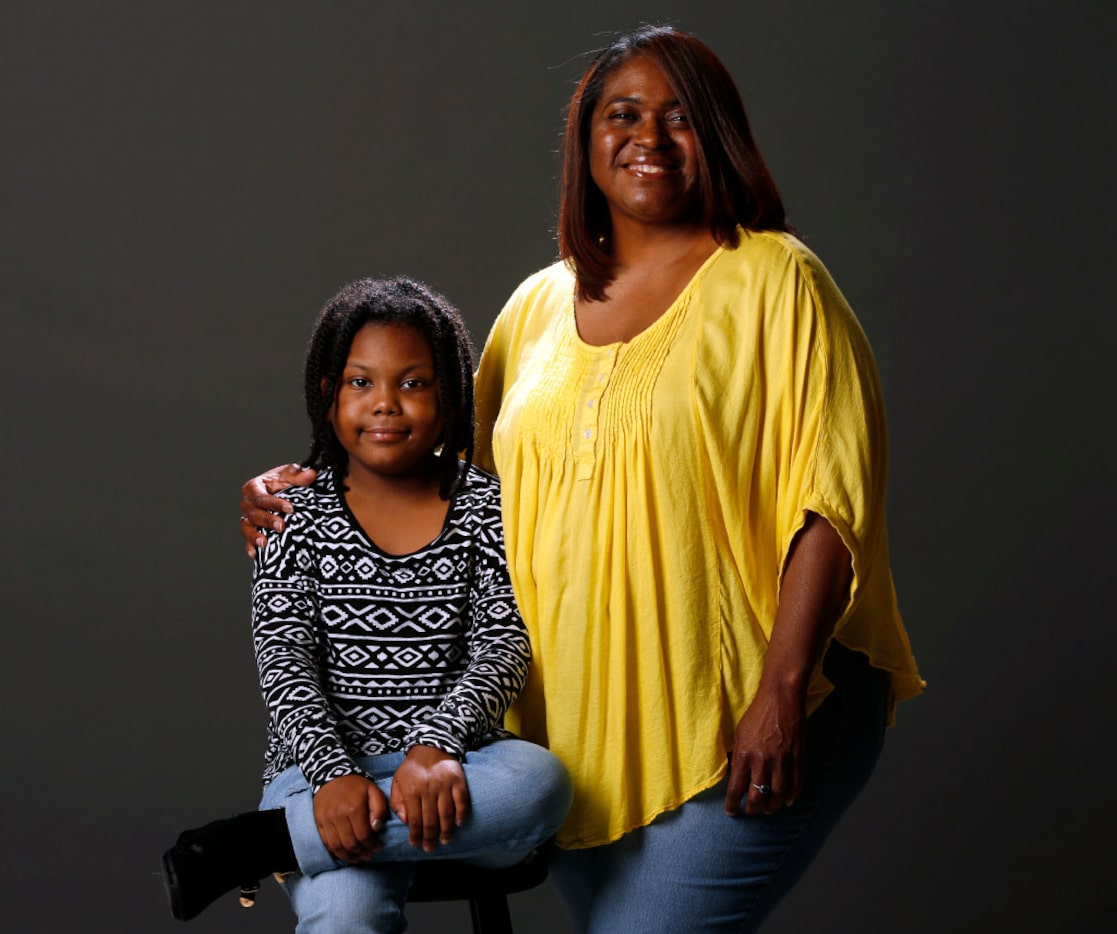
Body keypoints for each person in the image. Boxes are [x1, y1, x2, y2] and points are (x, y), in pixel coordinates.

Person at [240, 26, 923, 933]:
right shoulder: (534, 308)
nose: (649, 136)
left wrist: (779, 694)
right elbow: (425, 475)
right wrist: (291, 487)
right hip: (572, 733)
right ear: (587, 140)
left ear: (716, 135)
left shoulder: (774, 281)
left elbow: (831, 506)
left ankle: (264, 844)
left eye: (679, 117)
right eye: (623, 114)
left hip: (745, 713)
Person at [165, 277, 571, 933]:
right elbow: (284, 660)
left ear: (449, 396)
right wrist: (331, 777)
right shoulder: (290, 516)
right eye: (360, 383)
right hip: (317, 775)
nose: (385, 404)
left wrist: (436, 747)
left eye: (412, 383)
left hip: (457, 772)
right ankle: (314, 826)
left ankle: (266, 844)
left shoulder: (486, 509)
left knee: (540, 784)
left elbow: (500, 644)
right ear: (327, 395)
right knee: (345, 911)